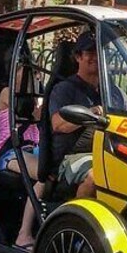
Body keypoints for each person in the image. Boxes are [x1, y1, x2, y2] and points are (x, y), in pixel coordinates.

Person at [48, 32, 109, 199]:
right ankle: (76, 222)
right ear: (78, 57)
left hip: (107, 152)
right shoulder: (64, 89)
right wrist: (91, 114)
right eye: (90, 52)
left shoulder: (112, 93)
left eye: (99, 53)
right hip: (72, 157)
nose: (95, 57)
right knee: (95, 176)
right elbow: (58, 124)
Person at [0, 54, 42, 251]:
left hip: (35, 149)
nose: (33, 76)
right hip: (11, 151)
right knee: (45, 173)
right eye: (28, 71)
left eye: (36, 73)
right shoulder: (8, 92)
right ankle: (23, 235)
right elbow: (25, 111)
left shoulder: (38, 95)